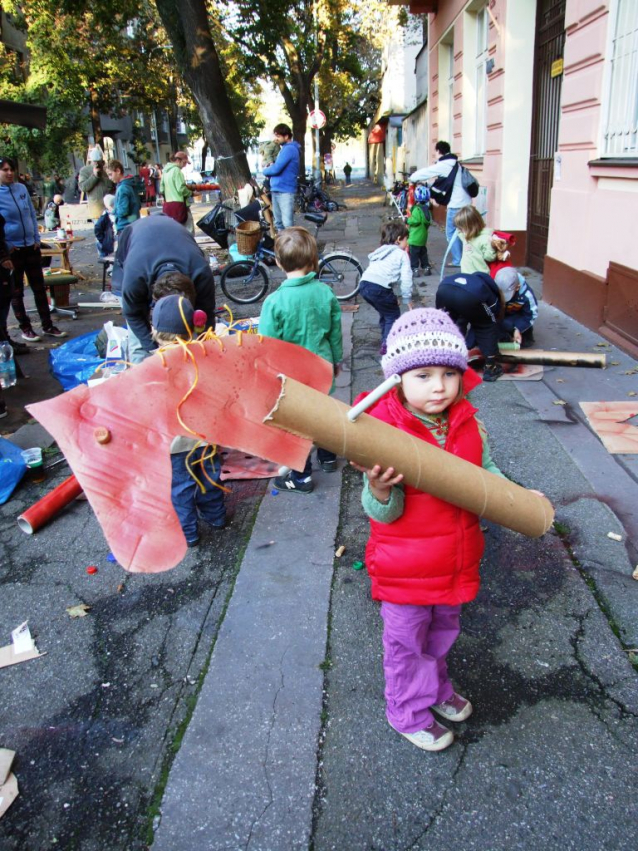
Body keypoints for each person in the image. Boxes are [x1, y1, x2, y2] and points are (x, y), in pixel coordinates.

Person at [354, 308, 510, 752]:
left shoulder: (467, 420)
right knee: (407, 643)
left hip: (455, 559)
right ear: (396, 379)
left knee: (442, 634)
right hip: (406, 570)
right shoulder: (384, 432)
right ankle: (406, 709)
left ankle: (436, 689)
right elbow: (381, 513)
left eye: (448, 373)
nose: (439, 386)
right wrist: (379, 488)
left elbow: (487, 473)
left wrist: (514, 498)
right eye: (422, 375)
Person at [259, 226, 343, 493]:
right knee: (324, 413)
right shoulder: (325, 293)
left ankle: (301, 476)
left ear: (278, 261)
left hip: (291, 375)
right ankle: (328, 457)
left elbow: (268, 346)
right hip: (322, 367)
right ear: (312, 260)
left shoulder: (274, 302)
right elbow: (335, 333)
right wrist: (337, 360)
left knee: (296, 424)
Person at [151, 294, 226, 547]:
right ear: (192, 327)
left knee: (181, 490)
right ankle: (217, 518)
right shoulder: (205, 355)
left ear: (155, 330)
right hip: (208, 437)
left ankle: (189, 534)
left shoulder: (153, 366)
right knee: (210, 479)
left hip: (176, 445)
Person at [110, 214, 216, 363]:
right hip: (134, 240)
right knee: (139, 345)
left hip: (175, 240)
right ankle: (142, 379)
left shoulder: (201, 274)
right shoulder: (134, 278)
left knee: (195, 346)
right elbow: (133, 315)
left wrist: (202, 351)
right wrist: (152, 348)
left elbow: (207, 316)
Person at [0, 156, 66, 341]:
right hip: (13, 250)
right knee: (17, 292)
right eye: (4, 170)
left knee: (39, 287)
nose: (9, 173)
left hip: (31, 245)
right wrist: (7, 247)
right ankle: (26, 328)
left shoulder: (21, 189)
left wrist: (37, 238)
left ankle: (48, 325)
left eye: (11, 169)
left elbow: (30, 214)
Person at [409, 141, 472, 268]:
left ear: (438, 151)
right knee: (463, 232)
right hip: (466, 203)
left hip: (456, 205)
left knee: (451, 232)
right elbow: (445, 182)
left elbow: (426, 172)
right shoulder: (456, 164)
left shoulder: (445, 164)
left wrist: (412, 178)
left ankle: (458, 260)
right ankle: (467, 258)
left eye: (435, 152)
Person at [436, 270, 504, 382]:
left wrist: (467, 344)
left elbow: (463, 318)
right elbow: (490, 321)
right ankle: (491, 368)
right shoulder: (488, 292)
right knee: (487, 326)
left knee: (447, 325)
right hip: (470, 296)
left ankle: (445, 360)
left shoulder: (469, 279)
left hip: (444, 289)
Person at [359, 221, 414, 348]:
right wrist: (406, 297)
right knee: (392, 315)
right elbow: (406, 278)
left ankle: (385, 337)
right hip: (379, 288)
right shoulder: (401, 254)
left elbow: (384, 274)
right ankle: (389, 345)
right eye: (407, 239)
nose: (408, 243)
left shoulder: (380, 252)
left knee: (385, 312)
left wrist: (394, 297)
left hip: (364, 285)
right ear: (399, 239)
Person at [262, 124, 301, 232]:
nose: (276, 139)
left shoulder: (289, 149)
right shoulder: (284, 149)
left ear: (287, 136)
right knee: (279, 223)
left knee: (287, 224)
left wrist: (265, 171)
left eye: (278, 136)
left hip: (285, 191)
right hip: (278, 190)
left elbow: (276, 169)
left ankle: (291, 247)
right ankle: (282, 246)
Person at [494, 267, 538, 348]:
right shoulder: (493, 288)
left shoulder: (527, 295)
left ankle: (521, 335)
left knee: (524, 342)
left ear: (517, 287)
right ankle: (505, 335)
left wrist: (518, 328)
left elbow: (530, 315)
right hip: (502, 316)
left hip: (518, 316)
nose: (503, 298)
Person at [453, 206, 496, 275]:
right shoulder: (466, 236)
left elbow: (489, 257)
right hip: (466, 274)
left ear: (471, 226)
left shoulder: (485, 238)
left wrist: (491, 246)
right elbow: (459, 232)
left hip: (480, 276)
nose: (459, 230)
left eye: (461, 228)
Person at [160, 152, 193, 232]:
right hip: (180, 206)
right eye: (184, 163)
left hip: (169, 206)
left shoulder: (165, 172)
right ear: (178, 160)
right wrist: (191, 193)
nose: (185, 166)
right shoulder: (177, 171)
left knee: (174, 230)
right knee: (188, 230)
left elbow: (161, 189)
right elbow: (181, 189)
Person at [78, 148, 115, 221]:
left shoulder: (105, 170)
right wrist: (94, 176)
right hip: (96, 210)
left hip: (109, 208)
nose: (97, 164)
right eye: (95, 162)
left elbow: (112, 186)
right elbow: (83, 187)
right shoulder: (85, 171)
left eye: (99, 162)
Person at [106, 160, 141, 232]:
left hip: (124, 227)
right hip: (134, 223)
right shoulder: (131, 184)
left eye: (110, 174)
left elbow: (123, 212)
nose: (110, 178)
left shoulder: (122, 188)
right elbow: (138, 205)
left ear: (118, 171)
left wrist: (111, 209)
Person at [406, 185, 432, 277]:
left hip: (415, 237)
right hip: (423, 237)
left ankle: (415, 269)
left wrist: (407, 220)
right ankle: (426, 267)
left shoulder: (416, 209)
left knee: (414, 254)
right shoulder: (427, 210)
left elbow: (415, 221)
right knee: (423, 253)